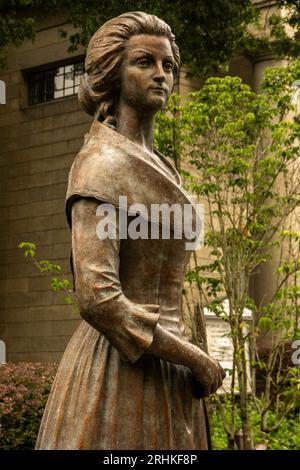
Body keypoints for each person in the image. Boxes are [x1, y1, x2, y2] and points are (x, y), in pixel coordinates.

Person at [36, 11, 224, 450]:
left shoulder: (166, 167)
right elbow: (98, 300)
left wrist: (186, 357)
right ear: (114, 75)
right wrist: (193, 357)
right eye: (144, 62)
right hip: (119, 370)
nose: (161, 74)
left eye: (169, 66)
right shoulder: (100, 164)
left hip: (171, 368)